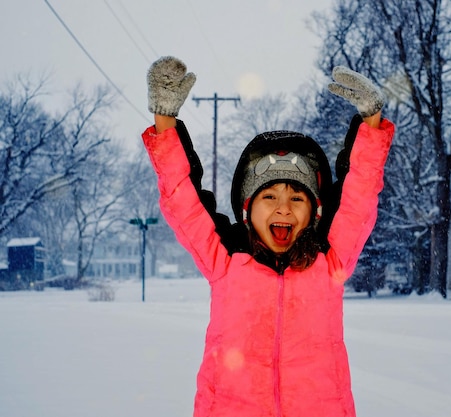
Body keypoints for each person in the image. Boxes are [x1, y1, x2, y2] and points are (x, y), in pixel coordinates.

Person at [141, 56, 395, 417]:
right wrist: (165, 122)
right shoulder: (225, 261)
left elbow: (359, 197)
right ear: (247, 209)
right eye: (269, 197)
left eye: (296, 198)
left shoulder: (330, 260)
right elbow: (182, 199)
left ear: (316, 212)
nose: (283, 209)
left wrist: (371, 124)